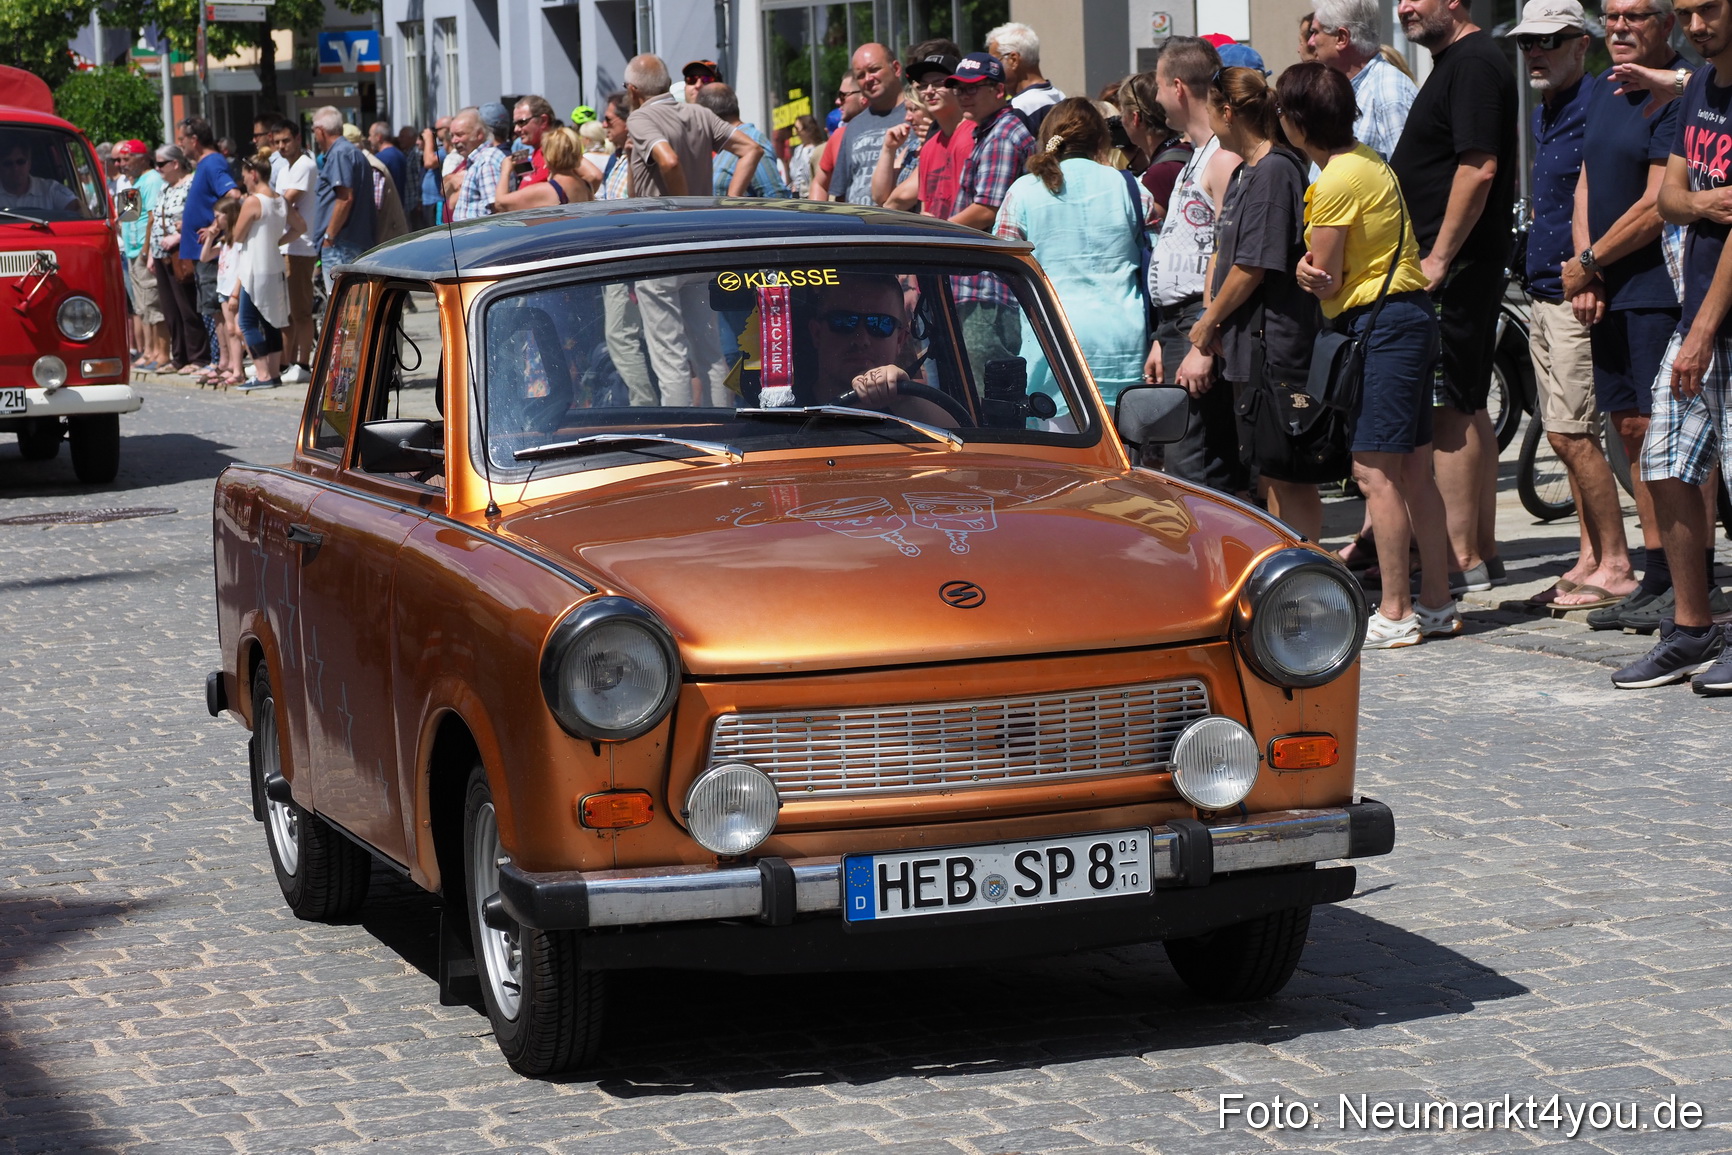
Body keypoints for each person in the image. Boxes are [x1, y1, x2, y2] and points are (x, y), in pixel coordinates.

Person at [1282, 62, 1458, 647]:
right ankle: (1434, 603)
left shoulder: (1332, 181)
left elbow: (1326, 278)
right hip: (1407, 318)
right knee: (1413, 471)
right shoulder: (1368, 161)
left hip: (1380, 327)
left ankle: (1396, 610)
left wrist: (1307, 274)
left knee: (1373, 471)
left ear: (1298, 120)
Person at [1571, 0, 1709, 633]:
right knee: (1628, 428)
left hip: (1657, 285)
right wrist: (1586, 268)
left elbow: (1659, 202)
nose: (1620, 28)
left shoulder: (1681, 91)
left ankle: (1685, 578)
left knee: (1666, 438)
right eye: (1612, 16)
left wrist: (1594, 258)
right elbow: (1584, 183)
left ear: (1668, 25)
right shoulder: (1604, 86)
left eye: (1635, 17)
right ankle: (1657, 569)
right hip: (1607, 283)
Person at [1614, 0, 1732, 691]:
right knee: (1665, 467)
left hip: (1714, 321)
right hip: (1696, 319)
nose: (1694, 25)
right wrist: (1702, 202)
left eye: (1707, 9)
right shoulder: (1701, 89)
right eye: (1684, 12)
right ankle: (1692, 629)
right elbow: (1671, 198)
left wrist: (1705, 330)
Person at [1507, 0, 1638, 610]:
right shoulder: (1546, 111)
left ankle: (1616, 564)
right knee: (1568, 433)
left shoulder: (1601, 101)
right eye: (1527, 43)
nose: (1535, 52)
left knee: (1573, 435)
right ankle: (1591, 557)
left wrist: (1592, 275)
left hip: (1575, 290)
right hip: (1542, 287)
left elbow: (1609, 196)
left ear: (1580, 44)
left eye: (1549, 41)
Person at [1390, 0, 1518, 596]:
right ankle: (1480, 552)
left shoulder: (1472, 63)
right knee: (1466, 404)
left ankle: (1462, 557)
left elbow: (1479, 167)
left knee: (1450, 411)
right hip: (1454, 264)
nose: (1405, 6)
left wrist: (1438, 256)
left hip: (1455, 266)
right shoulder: (1455, 62)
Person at [1187, 70, 1326, 541]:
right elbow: (1224, 254)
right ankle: (1286, 570)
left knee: (1289, 475)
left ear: (1226, 111)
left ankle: (1309, 580)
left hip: (1278, 346)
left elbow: (1253, 265)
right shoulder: (1249, 169)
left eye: (1209, 108)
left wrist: (1208, 322)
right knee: (1269, 472)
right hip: (1251, 345)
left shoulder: (1275, 170)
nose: (1207, 118)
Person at [992, 98, 1151, 414]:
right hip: (1123, 348)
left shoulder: (1023, 191)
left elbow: (1002, 270)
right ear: (1100, 140)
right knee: (1123, 459)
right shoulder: (1131, 188)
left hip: (1052, 348)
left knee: (1063, 457)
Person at [623, 53, 764, 405]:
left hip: (660, 248)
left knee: (670, 357)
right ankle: (723, 426)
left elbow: (668, 160)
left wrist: (681, 212)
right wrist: (729, 203)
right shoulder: (699, 113)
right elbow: (751, 149)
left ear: (633, 89)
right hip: (701, 245)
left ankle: (682, 437)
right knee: (710, 350)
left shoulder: (640, 118)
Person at [1142, 37, 1244, 495]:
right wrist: (1166, 337)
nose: (1158, 97)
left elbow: (1230, 250)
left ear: (1178, 87)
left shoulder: (1223, 156)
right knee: (1182, 462)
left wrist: (1204, 337)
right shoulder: (1195, 154)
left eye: (1160, 85)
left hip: (1200, 325)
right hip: (1181, 325)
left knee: (1196, 470)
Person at [945, 52, 1037, 384]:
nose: (963, 95)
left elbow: (986, 210)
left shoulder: (1000, 136)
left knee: (986, 396)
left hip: (988, 289)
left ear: (998, 90)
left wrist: (935, 231)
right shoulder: (992, 131)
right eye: (959, 88)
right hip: (986, 287)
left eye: (973, 87)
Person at [804, 276, 954, 426]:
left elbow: (962, 442)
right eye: (844, 321)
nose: (862, 340)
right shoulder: (785, 409)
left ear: (899, 340)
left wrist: (904, 399)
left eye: (881, 324)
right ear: (817, 333)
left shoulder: (914, 414)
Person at [596, 92, 658, 408]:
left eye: (609, 119)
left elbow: (634, 207)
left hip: (626, 257)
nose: (603, 125)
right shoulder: (619, 157)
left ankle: (643, 405)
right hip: (613, 256)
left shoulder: (634, 155)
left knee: (621, 336)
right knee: (625, 336)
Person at [1310, 0, 1419, 161]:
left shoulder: (1389, 90)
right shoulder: (1342, 89)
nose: (1311, 42)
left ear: (1341, 38)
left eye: (1315, 32)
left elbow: (1408, 172)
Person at [174, 117, 240, 369]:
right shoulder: (203, 164)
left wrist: (215, 228)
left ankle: (224, 361)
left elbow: (232, 195)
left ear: (194, 140)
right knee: (211, 309)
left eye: (182, 140)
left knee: (217, 308)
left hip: (212, 253)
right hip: (201, 251)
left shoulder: (212, 163)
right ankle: (220, 360)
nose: (180, 145)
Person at [231, 154, 295, 389]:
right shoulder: (279, 199)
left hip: (255, 269)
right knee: (272, 322)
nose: (243, 178)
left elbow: (237, 235)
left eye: (245, 174)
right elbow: (300, 227)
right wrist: (277, 240)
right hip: (274, 267)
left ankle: (263, 374)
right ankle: (274, 372)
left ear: (254, 174)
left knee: (246, 322)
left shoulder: (253, 201)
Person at [144, 146, 204, 373]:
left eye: (161, 164)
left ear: (175, 164)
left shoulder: (190, 185)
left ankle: (197, 357)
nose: (157, 169)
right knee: (170, 309)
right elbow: (156, 220)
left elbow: (197, 217)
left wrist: (178, 236)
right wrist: (151, 254)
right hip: (161, 253)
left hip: (181, 251)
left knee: (187, 306)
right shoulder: (165, 188)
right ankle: (178, 357)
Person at [899, 44, 974, 220]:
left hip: (969, 241)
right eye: (923, 85)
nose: (929, 91)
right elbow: (926, 207)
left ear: (958, 86)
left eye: (939, 82)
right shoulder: (929, 146)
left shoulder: (974, 136)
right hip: (937, 242)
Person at [827, 43, 908, 205]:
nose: (868, 79)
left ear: (896, 68)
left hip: (903, 226)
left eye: (874, 69)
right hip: (859, 227)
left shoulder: (918, 116)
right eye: (860, 75)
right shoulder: (853, 126)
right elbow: (840, 193)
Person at [270, 119, 317, 383]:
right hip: (286, 243)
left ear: (298, 139)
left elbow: (285, 201)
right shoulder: (286, 167)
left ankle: (303, 363)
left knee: (301, 310)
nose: (281, 146)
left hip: (301, 246)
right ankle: (286, 362)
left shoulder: (305, 165)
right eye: (277, 142)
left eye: (286, 141)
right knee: (286, 310)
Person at [310, 107, 376, 291]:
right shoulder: (349, 151)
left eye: (314, 131)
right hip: (348, 243)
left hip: (341, 245)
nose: (314, 136)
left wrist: (329, 237)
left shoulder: (340, 153)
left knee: (344, 308)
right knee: (352, 307)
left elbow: (345, 198)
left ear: (321, 131)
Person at [116, 141, 169, 372]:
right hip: (131, 249)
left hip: (143, 250)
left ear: (142, 158)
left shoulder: (152, 180)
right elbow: (127, 217)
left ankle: (161, 351)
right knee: (141, 306)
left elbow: (151, 217)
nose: (121, 165)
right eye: (118, 160)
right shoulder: (133, 182)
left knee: (152, 302)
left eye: (126, 160)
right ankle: (149, 350)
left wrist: (147, 250)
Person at [1115, 69, 1192, 228]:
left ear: (1135, 118)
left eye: (1123, 113)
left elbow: (1146, 234)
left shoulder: (1160, 173)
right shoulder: (1186, 151)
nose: (1120, 120)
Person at [695, 83, 789, 197]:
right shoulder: (726, 144)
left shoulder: (753, 142)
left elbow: (776, 197)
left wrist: (733, 204)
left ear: (708, 116)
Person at [985, 22, 1065, 132]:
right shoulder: (1061, 97)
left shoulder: (1018, 108)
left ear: (1013, 60)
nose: (990, 69)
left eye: (994, 61)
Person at [493, 125, 594, 209]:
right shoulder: (586, 186)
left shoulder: (547, 190)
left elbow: (500, 203)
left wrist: (506, 170)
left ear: (548, 154)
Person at [870, 92, 930, 210]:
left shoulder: (939, 144)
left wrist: (881, 215)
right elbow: (879, 195)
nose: (907, 117)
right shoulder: (913, 146)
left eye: (914, 109)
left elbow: (903, 197)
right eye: (907, 110)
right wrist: (889, 149)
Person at [810, 75, 865, 200]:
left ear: (863, 96)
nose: (838, 101)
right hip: (849, 218)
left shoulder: (896, 131)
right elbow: (820, 184)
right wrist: (819, 218)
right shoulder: (839, 136)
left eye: (843, 95)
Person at [449, 105, 507, 222]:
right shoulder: (476, 160)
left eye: (460, 134)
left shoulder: (487, 161)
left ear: (479, 134)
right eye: (452, 135)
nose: (454, 140)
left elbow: (497, 211)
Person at [0, 142, 79, 214]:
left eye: (20, 162)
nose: (15, 168)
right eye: (8, 163)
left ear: (29, 164)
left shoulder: (50, 190)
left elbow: (81, 212)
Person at [789, 114, 826, 197]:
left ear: (807, 130)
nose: (795, 132)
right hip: (798, 195)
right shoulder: (798, 150)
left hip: (812, 194)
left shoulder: (818, 149)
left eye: (797, 129)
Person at [369, 121, 408, 196]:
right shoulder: (400, 154)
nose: (369, 139)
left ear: (378, 137)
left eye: (371, 135)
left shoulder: (379, 159)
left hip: (388, 205)